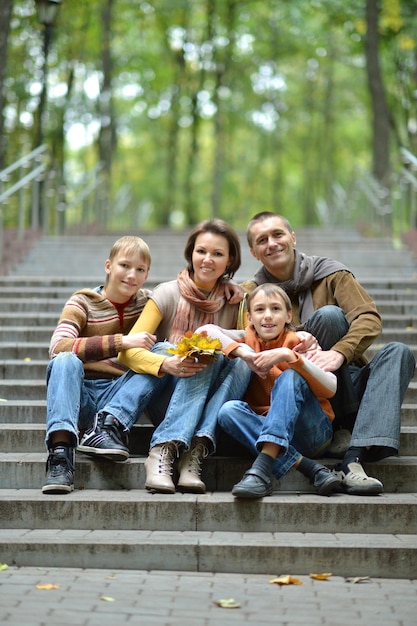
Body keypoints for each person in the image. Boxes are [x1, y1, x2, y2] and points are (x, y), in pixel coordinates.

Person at [240, 211, 416, 495]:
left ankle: (353, 455)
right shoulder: (252, 294)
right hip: (302, 396)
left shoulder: (332, 274)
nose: (271, 243)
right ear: (254, 252)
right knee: (327, 318)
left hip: (344, 383)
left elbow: (369, 318)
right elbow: (237, 333)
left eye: (277, 235)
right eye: (262, 240)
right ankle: (335, 433)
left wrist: (338, 353)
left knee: (396, 351)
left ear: (292, 238)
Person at [199, 284, 342, 498]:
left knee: (291, 376)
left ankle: (261, 470)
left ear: (288, 315)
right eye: (259, 310)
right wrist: (245, 355)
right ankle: (309, 467)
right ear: (249, 317)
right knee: (227, 411)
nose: (268, 316)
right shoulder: (245, 339)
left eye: (275, 309)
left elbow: (331, 387)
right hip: (264, 430)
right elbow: (205, 331)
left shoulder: (300, 343)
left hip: (312, 432)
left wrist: (288, 356)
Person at [42, 235, 158, 495]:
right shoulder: (82, 302)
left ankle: (107, 425)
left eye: (140, 270)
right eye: (125, 266)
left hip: (116, 397)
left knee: (160, 353)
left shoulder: (149, 303)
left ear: (147, 274)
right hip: (80, 394)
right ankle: (61, 455)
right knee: (65, 360)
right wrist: (122, 342)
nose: (132, 275)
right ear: (109, 266)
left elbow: (181, 292)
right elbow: (58, 346)